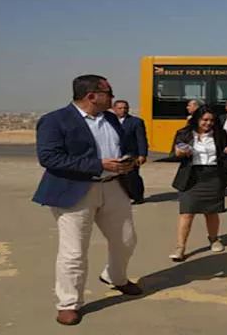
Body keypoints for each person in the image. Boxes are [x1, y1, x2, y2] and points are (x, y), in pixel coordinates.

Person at [33, 75, 141, 326]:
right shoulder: (55, 120)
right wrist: (99, 164)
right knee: (74, 252)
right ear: (92, 96)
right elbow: (49, 158)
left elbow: (122, 146)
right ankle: (68, 304)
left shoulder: (110, 119)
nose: (113, 98)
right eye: (109, 93)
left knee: (126, 240)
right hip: (75, 191)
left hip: (113, 186)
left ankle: (115, 277)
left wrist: (126, 161)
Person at [169, 106, 227, 262]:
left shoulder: (220, 133)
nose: (208, 123)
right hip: (191, 176)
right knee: (186, 213)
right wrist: (180, 152)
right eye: (205, 120)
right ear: (197, 119)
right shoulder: (184, 133)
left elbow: (224, 154)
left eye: (211, 120)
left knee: (211, 211)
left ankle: (214, 239)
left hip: (213, 176)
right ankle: (180, 247)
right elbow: (175, 153)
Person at [113, 100, 149, 204]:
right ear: (114, 109)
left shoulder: (136, 122)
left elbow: (141, 139)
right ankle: (124, 197)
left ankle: (138, 196)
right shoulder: (109, 121)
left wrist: (142, 154)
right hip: (115, 154)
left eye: (125, 108)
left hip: (131, 154)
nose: (123, 110)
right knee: (118, 178)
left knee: (132, 176)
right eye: (120, 108)